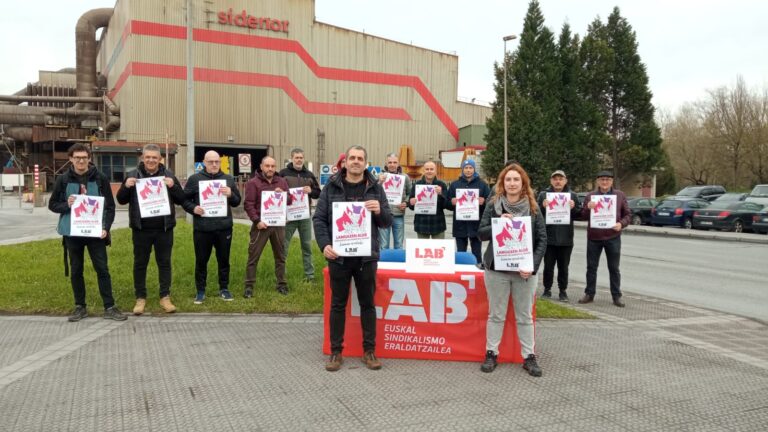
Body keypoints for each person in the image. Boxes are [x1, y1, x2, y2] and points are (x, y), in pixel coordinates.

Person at [313, 145, 392, 372]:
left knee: (368, 304)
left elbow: (386, 222)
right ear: (345, 162)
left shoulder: (376, 188)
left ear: (366, 163)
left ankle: (369, 351)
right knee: (338, 304)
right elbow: (319, 219)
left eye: (360, 158)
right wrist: (324, 245)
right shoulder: (331, 187)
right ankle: (336, 352)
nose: (356, 161)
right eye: (352, 158)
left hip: (366, 258)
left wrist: (379, 210)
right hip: (339, 257)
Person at [477, 163, 547, 376]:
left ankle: (529, 357)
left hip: (524, 273)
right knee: (496, 314)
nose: (512, 183)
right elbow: (481, 233)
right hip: (497, 270)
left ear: (523, 183)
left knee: (524, 316)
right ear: (502, 183)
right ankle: (491, 353)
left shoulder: (533, 208)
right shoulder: (493, 205)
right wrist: (498, 222)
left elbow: (542, 239)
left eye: (516, 179)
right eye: (508, 179)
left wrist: (532, 266)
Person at [48, 143, 126, 322]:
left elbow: (110, 207)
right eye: (77, 158)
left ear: (89, 158)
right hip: (73, 234)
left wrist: (106, 228)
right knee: (76, 270)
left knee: (102, 269)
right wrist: (66, 204)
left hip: (95, 234)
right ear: (71, 159)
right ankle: (80, 307)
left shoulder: (100, 178)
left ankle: (109, 306)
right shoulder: (63, 179)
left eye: (84, 157)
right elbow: (52, 205)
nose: (81, 161)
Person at [116, 144, 195, 315]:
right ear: (142, 158)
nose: (151, 160)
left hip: (164, 229)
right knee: (140, 263)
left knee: (164, 263)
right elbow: (121, 200)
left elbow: (181, 199)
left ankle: (165, 297)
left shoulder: (168, 175)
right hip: (141, 229)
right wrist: (125, 187)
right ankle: (140, 298)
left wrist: (173, 186)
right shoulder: (132, 175)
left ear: (160, 159)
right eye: (148, 157)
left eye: (154, 157)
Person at [183, 150, 242, 304]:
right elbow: (184, 200)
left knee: (224, 260)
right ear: (204, 162)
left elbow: (237, 202)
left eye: (217, 161)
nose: (214, 164)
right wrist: (193, 208)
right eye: (211, 162)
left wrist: (231, 194)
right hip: (203, 228)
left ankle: (224, 289)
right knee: (201, 260)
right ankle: (200, 291)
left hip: (224, 228)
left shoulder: (228, 179)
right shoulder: (195, 179)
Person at [578, 170, 631, 307]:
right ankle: (589, 294)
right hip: (594, 237)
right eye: (602, 179)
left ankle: (616, 296)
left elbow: (628, 215)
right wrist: (588, 208)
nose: (605, 182)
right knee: (591, 267)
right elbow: (582, 216)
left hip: (613, 236)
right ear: (598, 181)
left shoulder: (619, 195)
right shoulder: (590, 196)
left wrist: (621, 224)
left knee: (614, 268)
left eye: (607, 179)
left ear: (612, 181)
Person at [244, 156, 292, 296]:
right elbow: (248, 204)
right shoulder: (253, 183)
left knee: (280, 256)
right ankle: (249, 286)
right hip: (261, 225)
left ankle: (282, 284)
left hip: (278, 226)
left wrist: (283, 195)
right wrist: (257, 221)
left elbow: (289, 200)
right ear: (261, 166)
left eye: (272, 166)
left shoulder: (282, 182)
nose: (270, 169)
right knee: (253, 256)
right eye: (267, 166)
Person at [536, 170, 581, 302]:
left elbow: (578, 215)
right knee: (548, 266)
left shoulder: (572, 195)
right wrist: (542, 206)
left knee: (563, 267)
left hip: (566, 239)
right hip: (548, 238)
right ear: (551, 181)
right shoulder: (544, 195)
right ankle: (547, 290)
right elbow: (536, 214)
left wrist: (573, 208)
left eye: (560, 179)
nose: (558, 181)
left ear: (565, 181)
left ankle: (563, 291)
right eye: (555, 179)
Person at [279, 148, 321, 282]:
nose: (299, 160)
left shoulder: (309, 174)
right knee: (283, 246)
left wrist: (311, 191)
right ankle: (282, 276)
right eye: (296, 157)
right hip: (288, 216)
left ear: (304, 158)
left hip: (305, 216)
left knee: (307, 246)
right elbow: (276, 190)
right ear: (291, 158)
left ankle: (310, 275)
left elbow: (318, 192)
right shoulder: (283, 173)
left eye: (301, 157)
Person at [447, 159, 491, 265]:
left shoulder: (482, 185)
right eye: (466, 168)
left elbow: (491, 203)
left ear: (474, 169)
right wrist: (451, 202)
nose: (468, 170)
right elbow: (446, 203)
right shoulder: (454, 185)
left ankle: (478, 274)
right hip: (460, 226)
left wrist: (484, 201)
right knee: (461, 254)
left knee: (477, 254)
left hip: (476, 226)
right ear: (462, 169)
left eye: (470, 168)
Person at [407, 161, 449, 238]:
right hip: (421, 224)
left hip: (438, 224)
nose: (429, 171)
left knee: (438, 248)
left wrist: (441, 194)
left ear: (435, 171)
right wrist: (411, 203)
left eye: (431, 169)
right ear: (423, 171)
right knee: (422, 249)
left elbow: (446, 205)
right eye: (427, 169)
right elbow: (411, 206)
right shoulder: (417, 185)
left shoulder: (442, 185)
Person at [378, 152, 411, 249]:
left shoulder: (405, 177)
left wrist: (406, 202)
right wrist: (379, 182)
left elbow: (410, 193)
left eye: (394, 162)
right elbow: (372, 192)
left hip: (398, 215)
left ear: (398, 164)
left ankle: (399, 264)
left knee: (399, 245)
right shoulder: (380, 176)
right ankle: (384, 264)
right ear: (386, 163)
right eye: (390, 162)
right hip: (383, 215)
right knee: (383, 245)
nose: (392, 165)